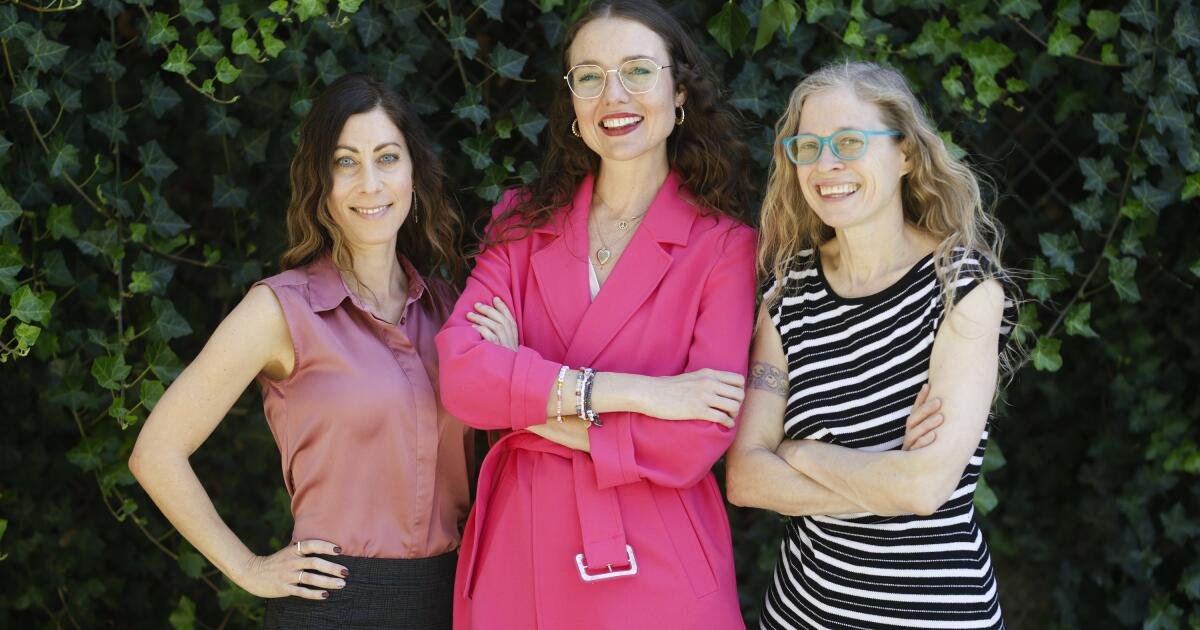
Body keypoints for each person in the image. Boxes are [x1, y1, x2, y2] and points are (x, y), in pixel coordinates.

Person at [435, 1, 756, 627]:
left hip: (656, 559)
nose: (614, 95)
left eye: (637, 70)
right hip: (520, 553)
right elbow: (464, 379)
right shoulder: (520, 222)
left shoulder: (724, 247)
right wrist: (643, 394)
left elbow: (692, 440)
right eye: (590, 76)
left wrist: (523, 397)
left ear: (679, 91)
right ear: (573, 103)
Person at [128, 74, 470, 629]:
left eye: (387, 158)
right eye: (345, 162)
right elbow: (156, 452)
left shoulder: (453, 311)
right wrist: (247, 567)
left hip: (449, 603)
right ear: (321, 182)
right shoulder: (279, 310)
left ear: (413, 172)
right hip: (329, 608)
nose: (370, 183)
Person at [725, 60, 1017, 629]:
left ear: (905, 152)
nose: (825, 164)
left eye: (849, 142)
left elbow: (926, 487)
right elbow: (746, 477)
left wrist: (800, 453)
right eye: (808, 147)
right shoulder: (790, 292)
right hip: (800, 614)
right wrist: (889, 479)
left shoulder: (961, 287)